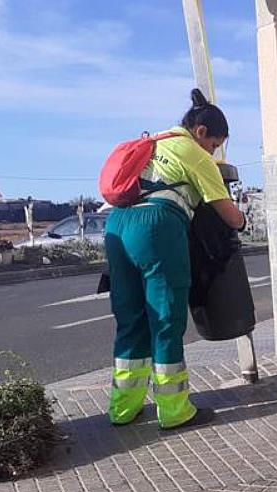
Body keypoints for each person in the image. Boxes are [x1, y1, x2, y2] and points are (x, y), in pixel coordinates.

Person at [104, 89, 246, 429]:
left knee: (131, 317)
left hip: (117, 225)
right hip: (156, 227)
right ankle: (174, 410)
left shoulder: (154, 142)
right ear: (200, 132)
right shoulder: (194, 154)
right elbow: (228, 214)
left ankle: (123, 408)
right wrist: (242, 220)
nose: (212, 152)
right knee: (165, 318)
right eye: (214, 144)